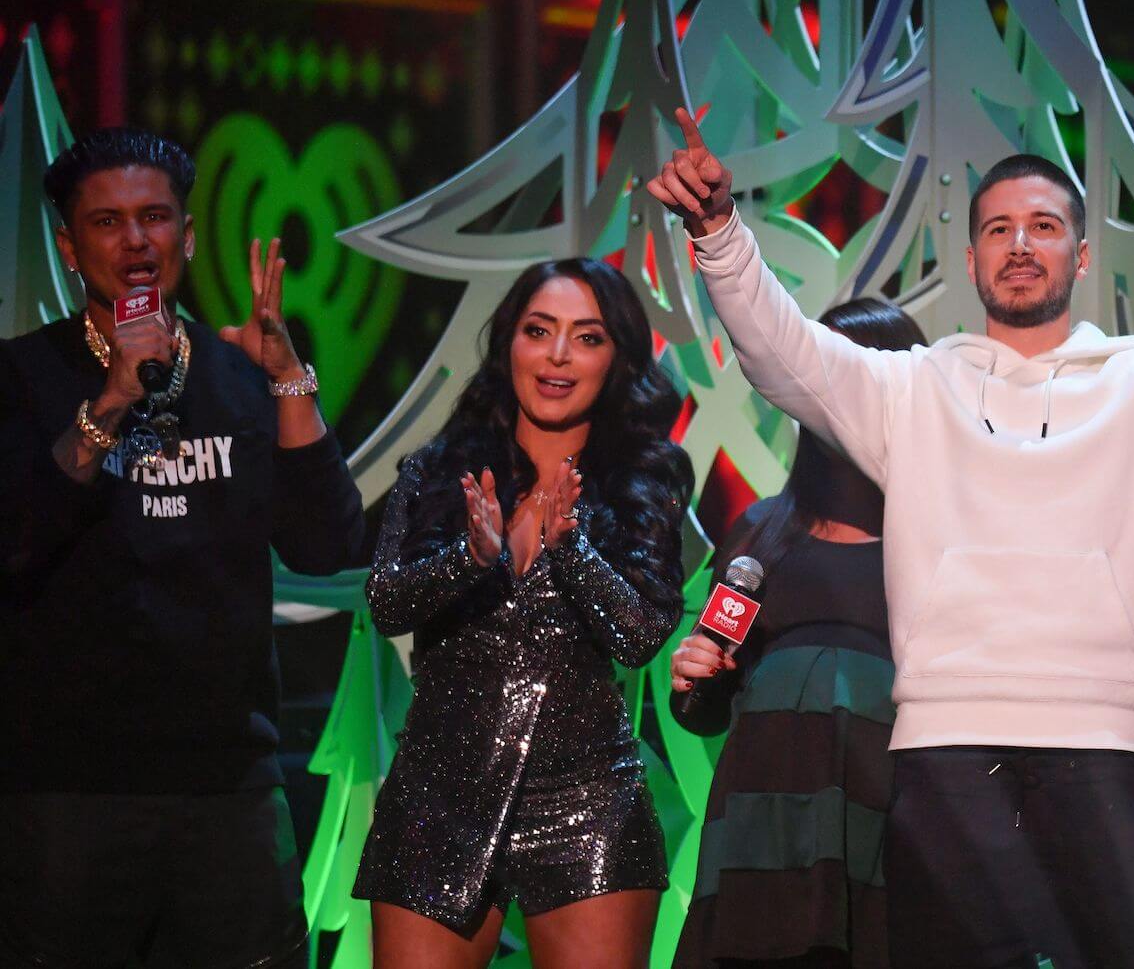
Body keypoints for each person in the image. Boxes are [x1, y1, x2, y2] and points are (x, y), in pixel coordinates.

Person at [646, 106, 1134, 968]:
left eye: (1044, 227)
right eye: (998, 229)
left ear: (1080, 255)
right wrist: (719, 232)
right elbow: (782, 352)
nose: (1020, 244)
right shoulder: (913, 389)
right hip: (948, 751)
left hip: (1104, 745)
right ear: (971, 261)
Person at [0, 127, 365, 966]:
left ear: (187, 237)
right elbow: (15, 540)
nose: (135, 241)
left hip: (227, 789)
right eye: (106, 221)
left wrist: (289, 377)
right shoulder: (23, 377)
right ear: (68, 245)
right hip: (68, 793)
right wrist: (113, 400)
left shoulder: (241, 378)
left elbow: (327, 545)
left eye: (155, 217)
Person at [354, 257, 694, 968]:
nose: (559, 356)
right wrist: (471, 559)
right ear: (510, 340)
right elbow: (387, 604)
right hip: (436, 795)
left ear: (617, 359)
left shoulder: (647, 476)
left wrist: (570, 549)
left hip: (586, 800)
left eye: (588, 337)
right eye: (540, 330)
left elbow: (637, 637)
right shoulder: (438, 468)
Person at [670, 298, 927, 969]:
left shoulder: (940, 538)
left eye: (865, 372)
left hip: (896, 811)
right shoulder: (761, 533)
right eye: (825, 369)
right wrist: (694, 679)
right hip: (764, 817)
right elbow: (704, 705)